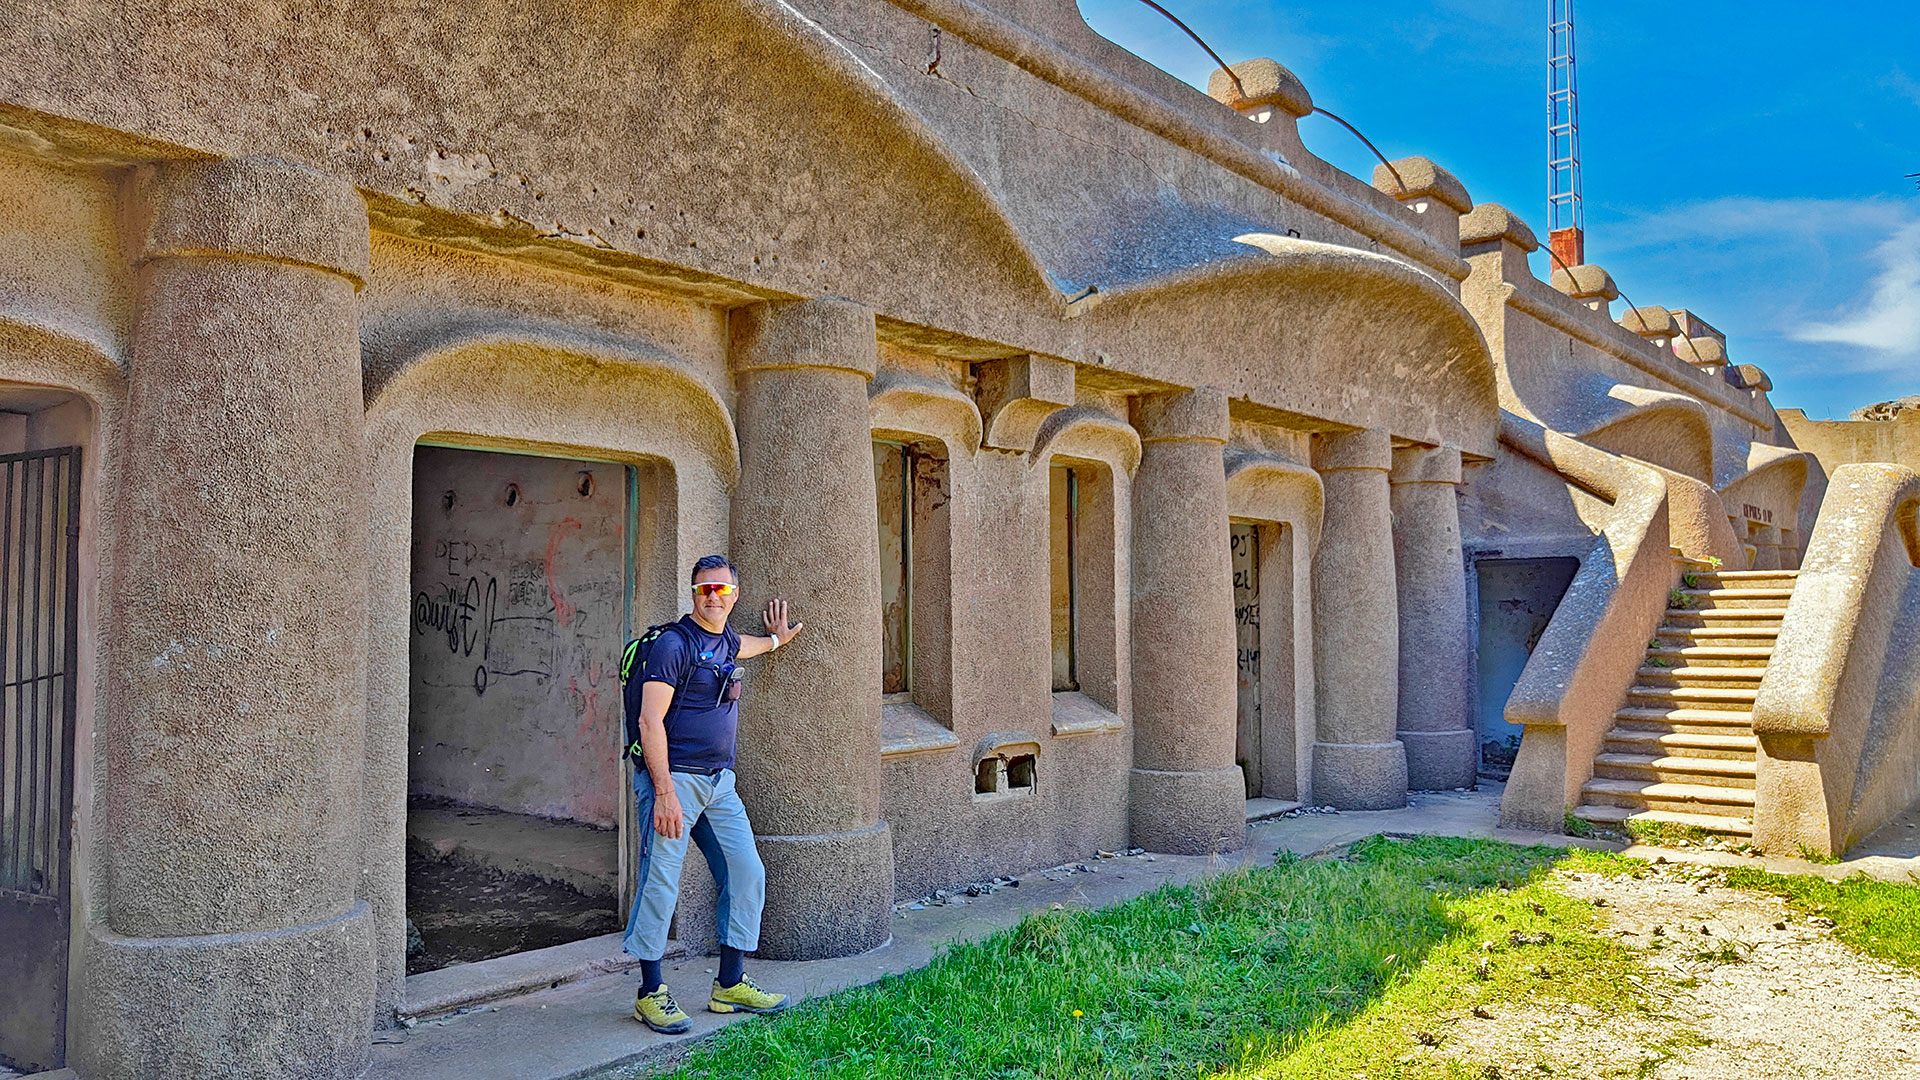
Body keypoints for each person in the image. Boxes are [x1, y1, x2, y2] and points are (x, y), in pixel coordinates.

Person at [623, 554, 801, 1033]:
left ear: (734, 595)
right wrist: (663, 793)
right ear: (694, 594)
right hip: (674, 781)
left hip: (720, 785)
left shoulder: (725, 641)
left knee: (746, 872)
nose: (713, 596)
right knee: (662, 881)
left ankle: (729, 983)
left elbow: (747, 646)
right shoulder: (673, 647)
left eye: (722, 589)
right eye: (705, 589)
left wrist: (776, 640)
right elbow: (648, 721)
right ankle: (650, 992)